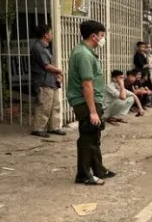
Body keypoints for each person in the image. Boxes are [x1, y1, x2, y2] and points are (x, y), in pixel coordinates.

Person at [66, 20, 115, 185]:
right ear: (94, 36)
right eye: (102, 35)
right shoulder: (84, 55)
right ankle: (84, 175)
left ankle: (98, 170)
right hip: (86, 102)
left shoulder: (85, 52)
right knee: (88, 138)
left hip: (91, 100)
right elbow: (87, 85)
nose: (103, 39)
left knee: (94, 137)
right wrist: (93, 111)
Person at [29, 24, 66, 138]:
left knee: (55, 104)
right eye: (50, 33)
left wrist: (57, 75)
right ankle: (38, 128)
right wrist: (59, 71)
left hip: (50, 80)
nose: (52, 35)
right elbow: (46, 66)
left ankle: (53, 127)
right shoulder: (38, 48)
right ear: (45, 35)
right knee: (44, 105)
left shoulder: (45, 47)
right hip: (43, 80)